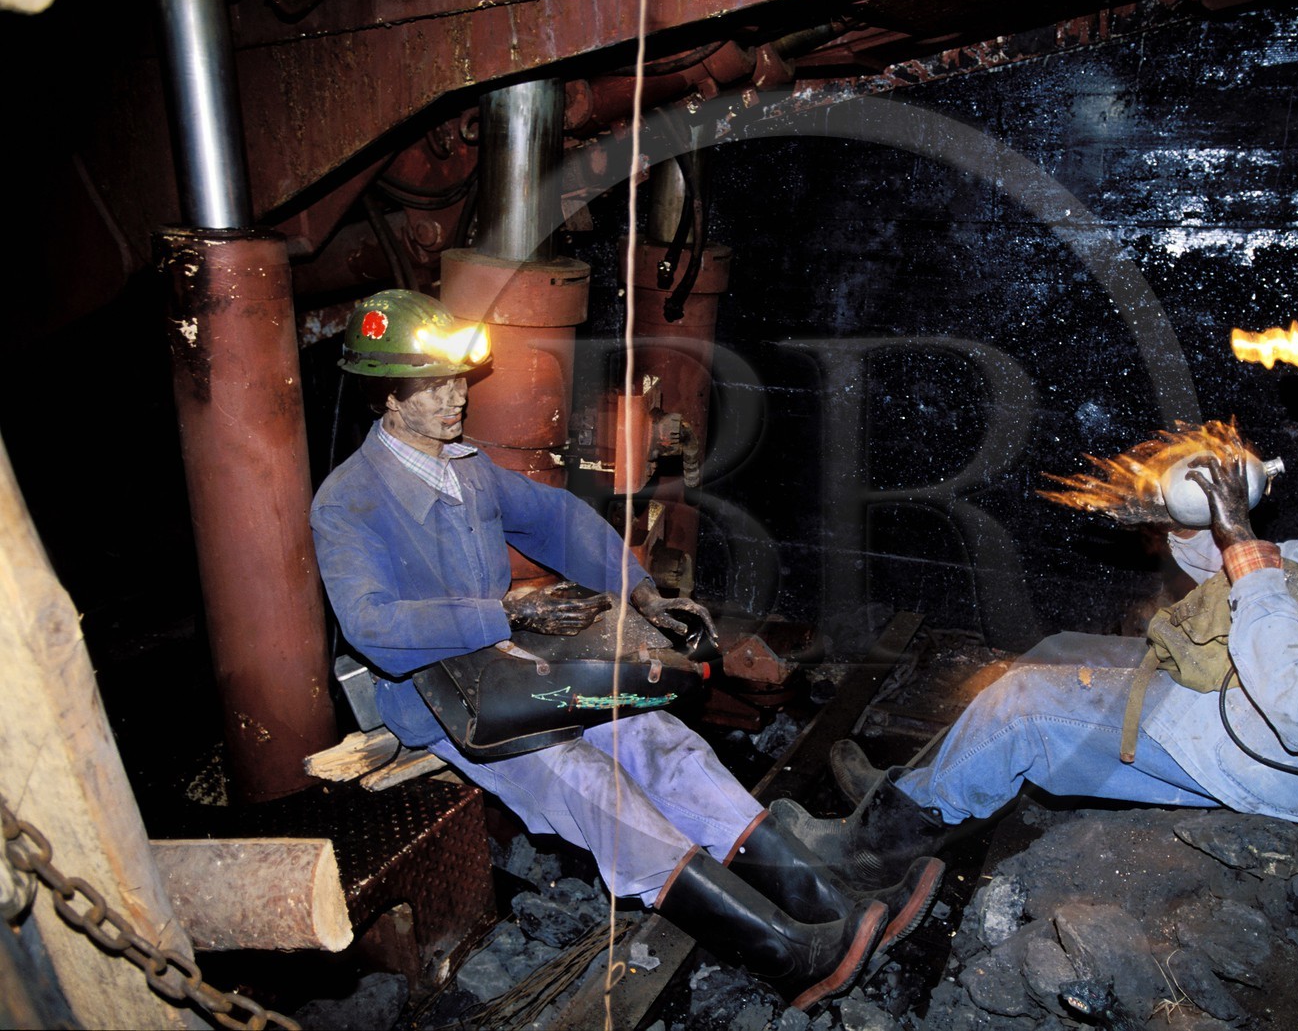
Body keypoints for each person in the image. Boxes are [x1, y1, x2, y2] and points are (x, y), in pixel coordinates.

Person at [310, 290, 942, 1010]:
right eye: (434, 384)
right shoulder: (348, 501)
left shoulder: (465, 465)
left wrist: (639, 589)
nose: (457, 396)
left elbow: (554, 519)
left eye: (460, 378)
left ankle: (826, 895)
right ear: (386, 396)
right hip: (444, 698)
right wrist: (501, 608)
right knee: (590, 784)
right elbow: (371, 623)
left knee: (659, 739)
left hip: (508, 668)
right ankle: (788, 953)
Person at [777, 287, 1298, 886]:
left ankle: (867, 855)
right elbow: (1276, 573)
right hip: (1292, 706)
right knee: (1055, 650)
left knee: (1025, 707)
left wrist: (1237, 534)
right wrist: (1184, 525)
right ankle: (904, 798)